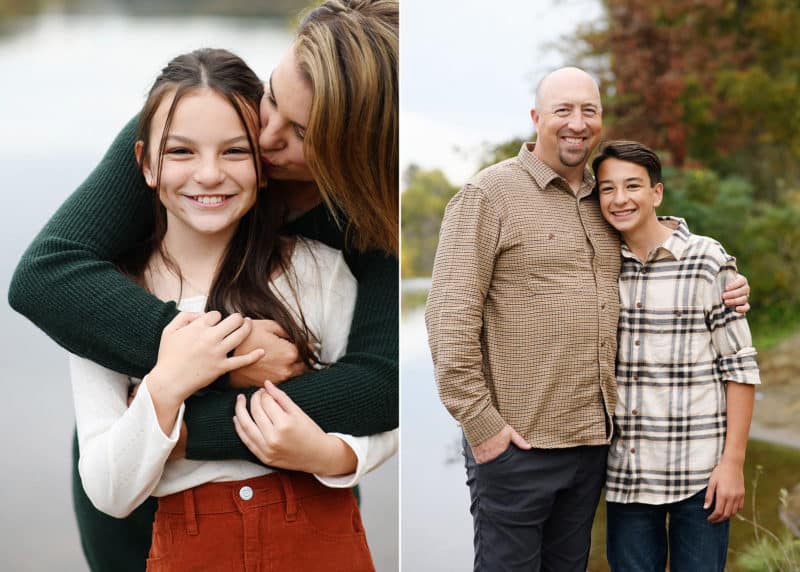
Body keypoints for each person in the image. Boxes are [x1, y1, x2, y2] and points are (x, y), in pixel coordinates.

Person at [7, 1, 398, 570]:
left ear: (359, 149)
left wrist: (188, 430)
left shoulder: (361, 226)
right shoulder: (196, 121)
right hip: (140, 486)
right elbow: (45, 275)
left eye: (300, 132)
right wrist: (222, 352)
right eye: (272, 96)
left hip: (295, 494)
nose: (262, 135)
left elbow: (381, 387)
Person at [424, 66, 750, 571]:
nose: (577, 123)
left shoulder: (603, 203)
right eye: (563, 110)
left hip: (593, 451)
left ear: (600, 120)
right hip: (517, 446)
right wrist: (483, 425)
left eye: (589, 110)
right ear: (536, 118)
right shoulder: (488, 196)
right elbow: (449, 317)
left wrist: (724, 274)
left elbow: (655, 235)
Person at [592, 140, 759, 572]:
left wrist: (733, 463)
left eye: (632, 186)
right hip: (627, 479)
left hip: (700, 477)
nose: (620, 198)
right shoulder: (600, 262)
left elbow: (738, 365)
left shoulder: (706, 259)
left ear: (657, 193)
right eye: (607, 189)